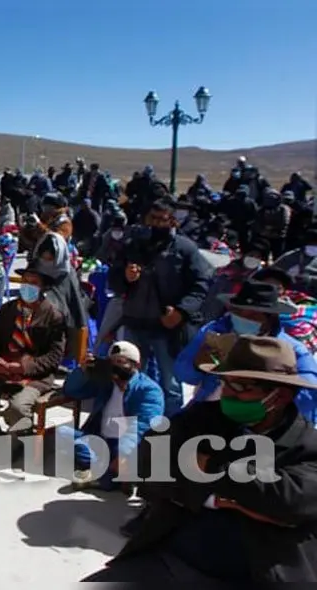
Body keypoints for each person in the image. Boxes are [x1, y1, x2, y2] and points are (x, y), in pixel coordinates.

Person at [84, 336, 317, 582]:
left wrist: (210, 467)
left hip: (258, 575)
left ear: (280, 396)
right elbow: (149, 461)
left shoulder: (307, 445)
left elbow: (289, 502)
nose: (227, 394)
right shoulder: (204, 418)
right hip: (175, 559)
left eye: (240, 387)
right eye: (225, 383)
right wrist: (219, 499)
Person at [109, 199, 212, 416]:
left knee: (171, 384)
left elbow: (201, 284)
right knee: (132, 380)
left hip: (167, 327)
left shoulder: (185, 249)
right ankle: (134, 426)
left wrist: (182, 311)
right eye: (151, 218)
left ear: (172, 220)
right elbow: (114, 280)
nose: (155, 224)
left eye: (161, 220)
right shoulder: (133, 245)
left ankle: (170, 430)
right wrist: (126, 277)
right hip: (135, 322)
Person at [174, 280, 317, 418]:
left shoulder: (293, 351)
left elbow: (307, 398)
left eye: (253, 314)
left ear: (271, 318)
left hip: (258, 416)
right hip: (209, 409)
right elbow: (182, 374)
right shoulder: (214, 332)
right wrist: (196, 365)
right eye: (238, 312)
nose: (243, 318)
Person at [0, 260, 67, 436]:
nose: (27, 287)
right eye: (25, 281)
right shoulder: (8, 309)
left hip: (34, 376)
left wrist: (23, 367)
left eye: (33, 283)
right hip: (1, 370)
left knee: (17, 408)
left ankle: (20, 442)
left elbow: (54, 357)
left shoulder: (53, 316)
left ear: (43, 288)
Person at [60, 341, 165, 490]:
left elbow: (143, 425)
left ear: (136, 365)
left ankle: (106, 473)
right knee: (63, 434)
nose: (116, 367)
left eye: (121, 362)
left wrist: (123, 454)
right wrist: (81, 372)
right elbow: (72, 391)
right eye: (112, 362)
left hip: (126, 443)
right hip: (99, 440)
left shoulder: (149, 390)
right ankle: (107, 473)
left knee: (129, 460)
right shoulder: (105, 382)